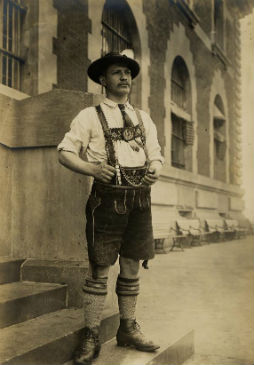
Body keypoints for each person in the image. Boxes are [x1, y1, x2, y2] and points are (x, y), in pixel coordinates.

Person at [57, 52, 164, 365]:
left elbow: (156, 153)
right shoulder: (88, 116)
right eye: (117, 73)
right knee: (100, 267)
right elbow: (64, 152)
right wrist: (92, 170)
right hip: (106, 201)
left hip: (140, 201)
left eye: (128, 73)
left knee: (131, 265)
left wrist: (155, 168)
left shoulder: (143, 118)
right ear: (103, 80)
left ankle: (127, 327)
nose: (124, 78)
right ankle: (90, 334)